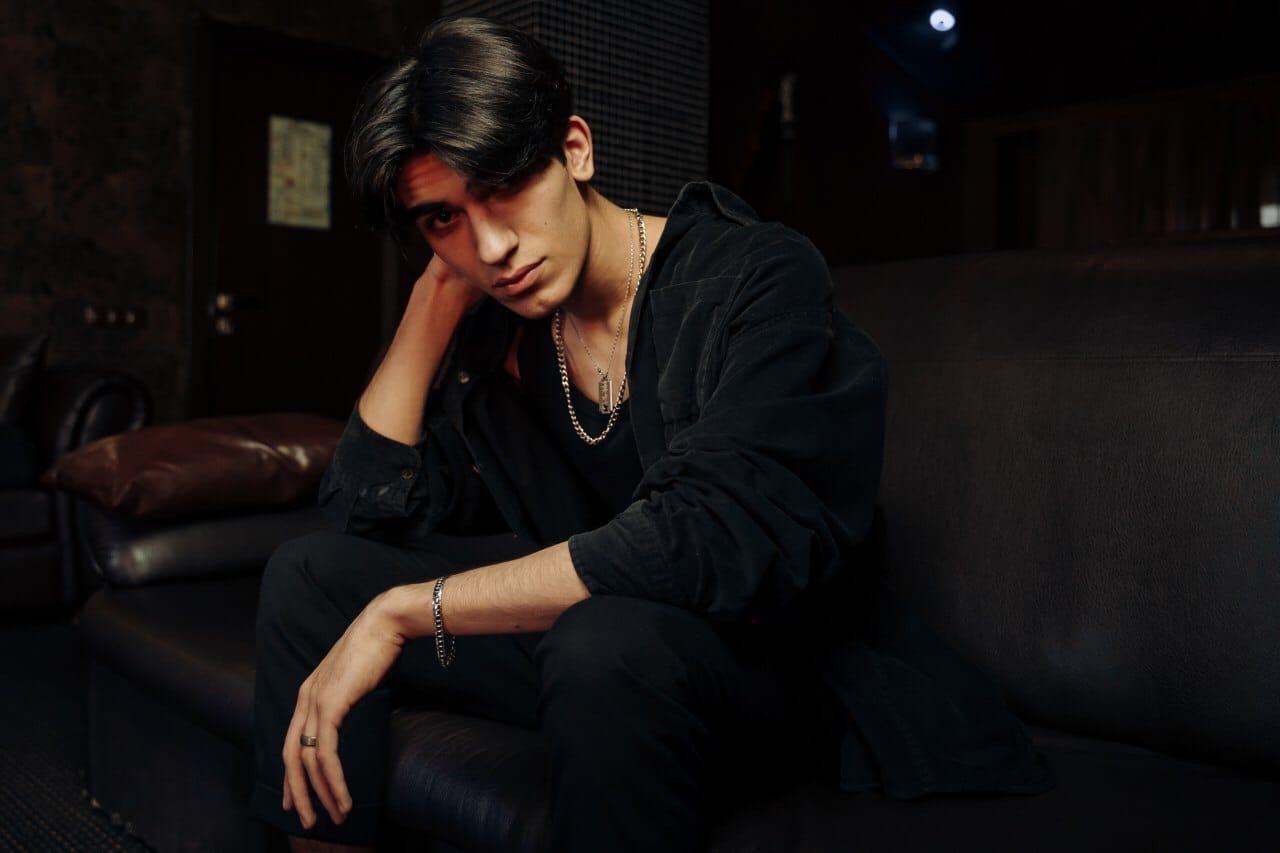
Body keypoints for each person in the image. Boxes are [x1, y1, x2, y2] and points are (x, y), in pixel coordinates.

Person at [248, 14, 1055, 853]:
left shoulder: (756, 274)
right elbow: (363, 512)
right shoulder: (508, 338)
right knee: (312, 577)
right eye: (444, 218)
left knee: (602, 640)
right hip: (604, 658)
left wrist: (410, 611)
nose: (493, 244)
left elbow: (703, 534)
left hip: (779, 665)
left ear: (575, 150)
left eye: (504, 184)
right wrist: (436, 299)